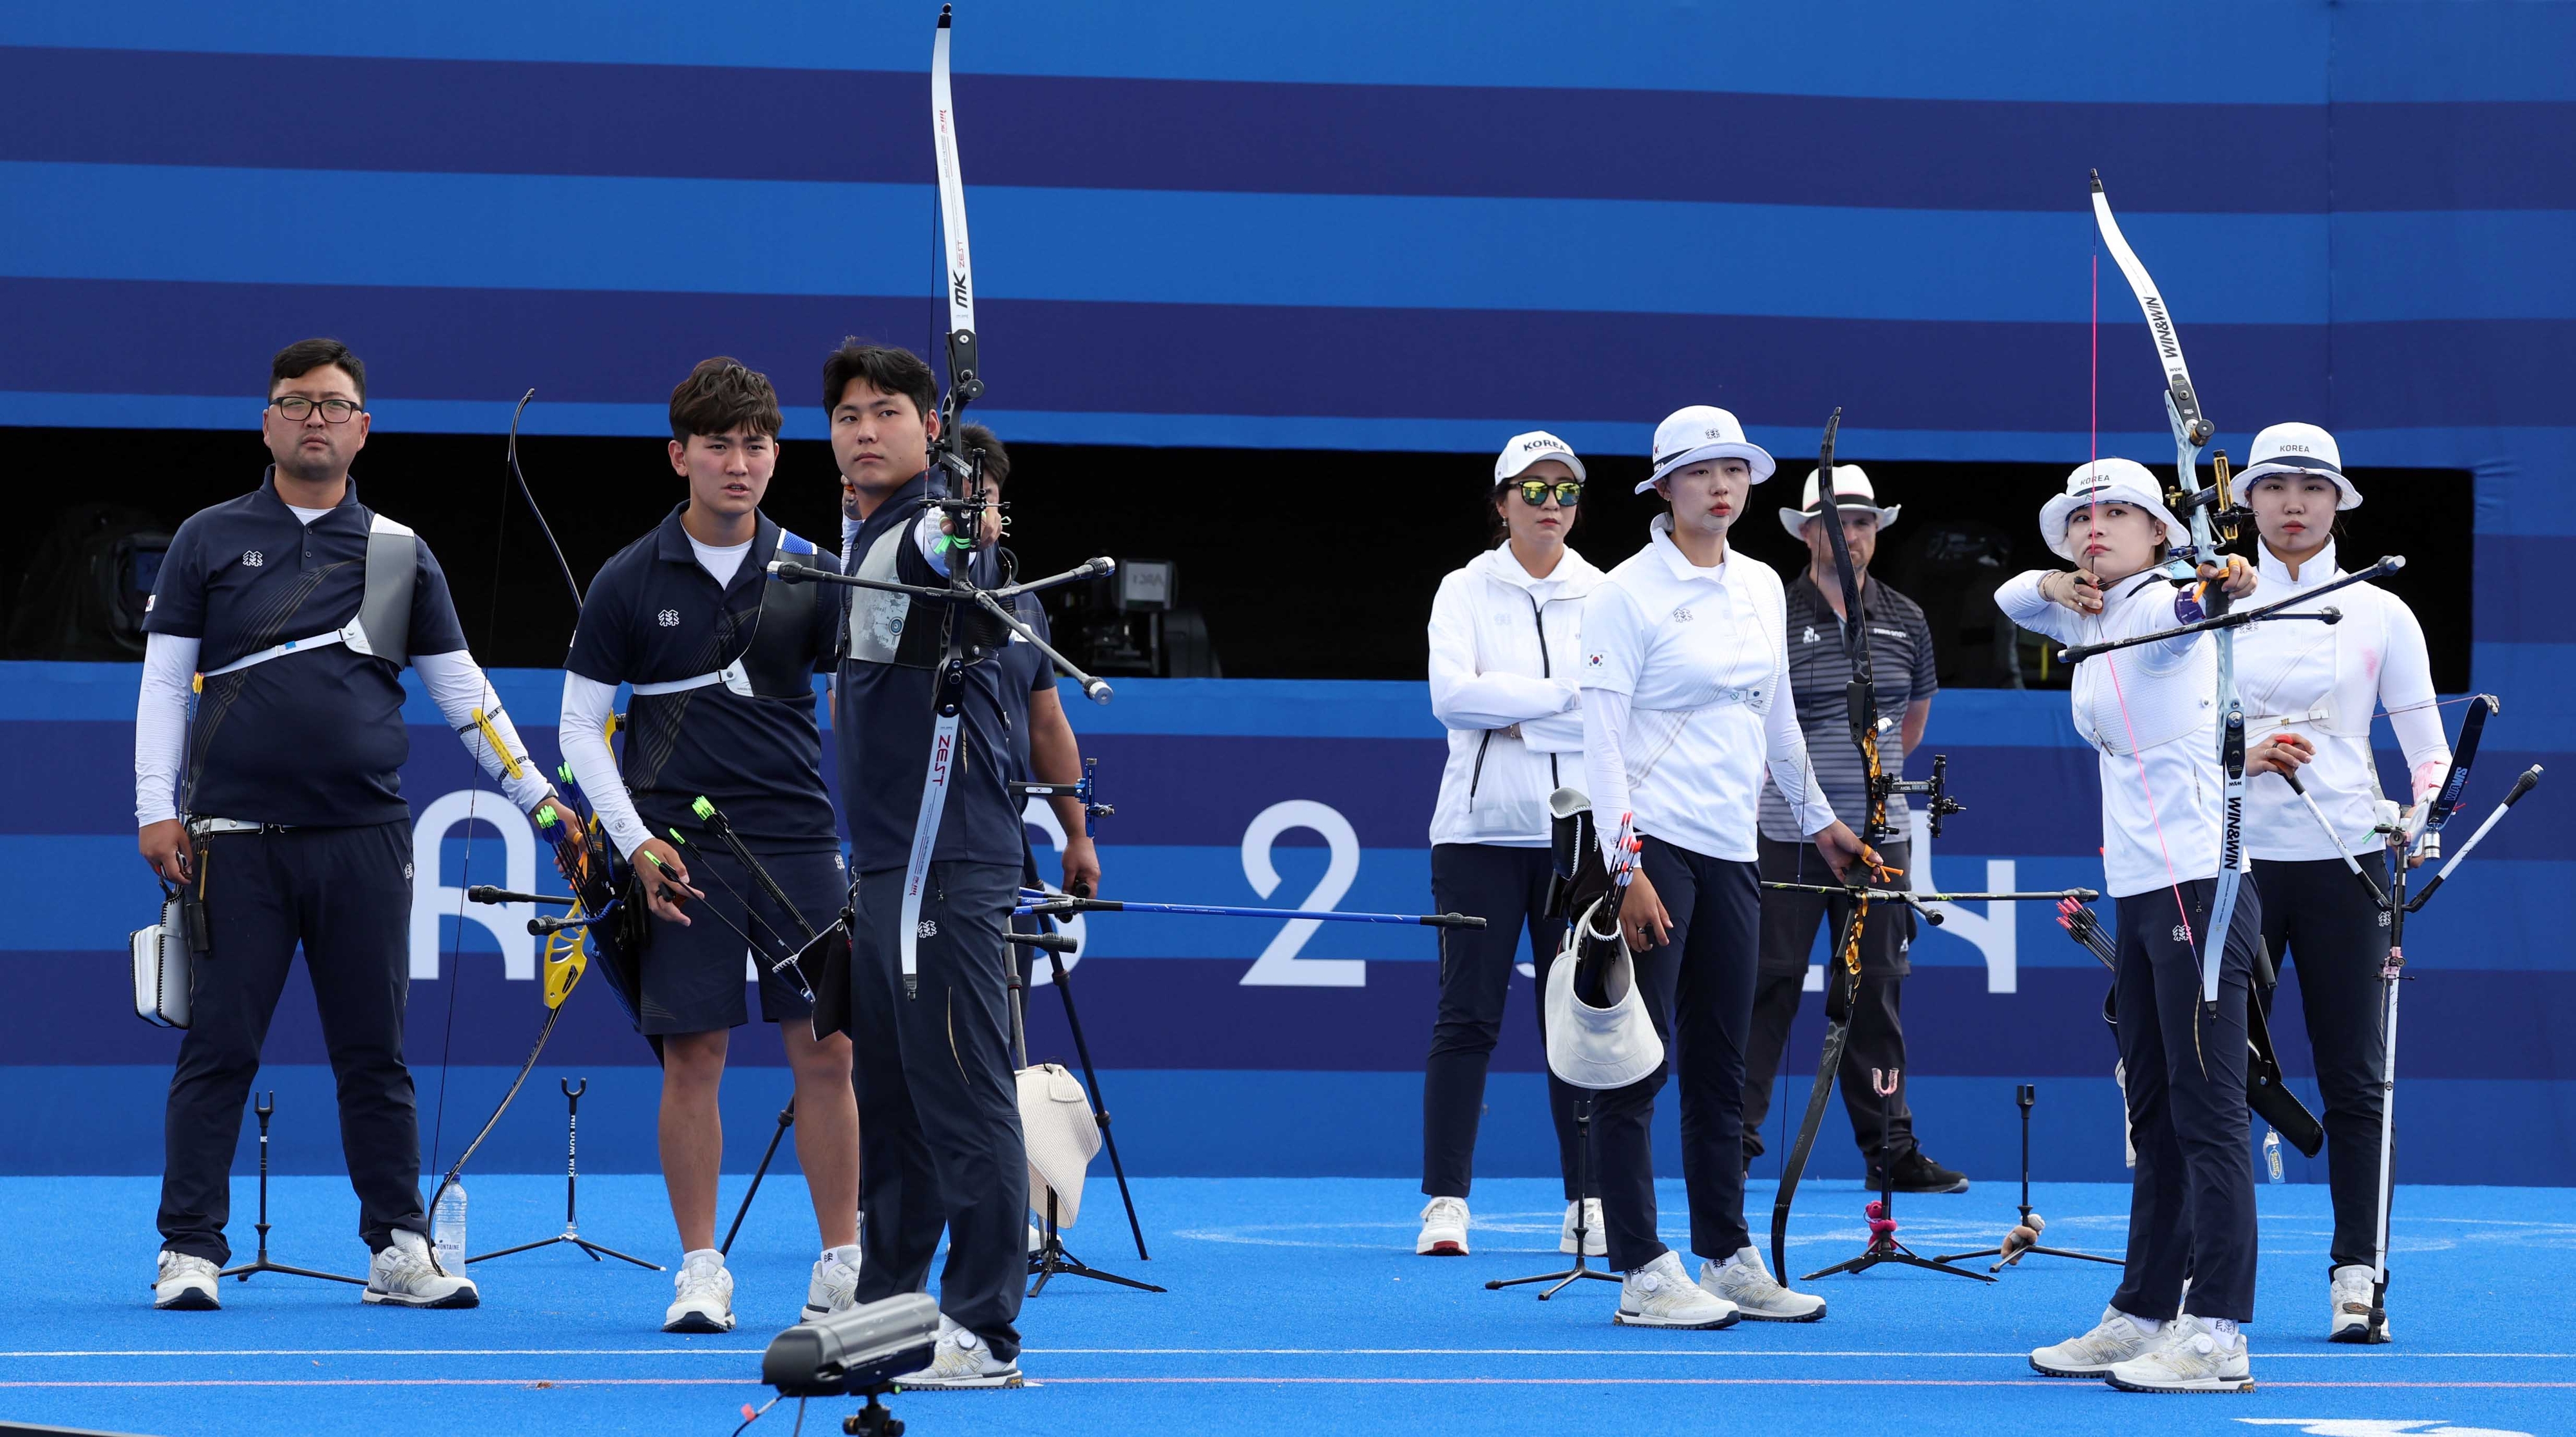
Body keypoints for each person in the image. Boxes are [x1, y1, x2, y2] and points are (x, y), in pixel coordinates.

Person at [136, 338, 551, 1312]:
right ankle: (189, 1248)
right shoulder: (207, 537)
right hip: (232, 840)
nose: (315, 418)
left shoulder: (401, 553)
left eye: (335, 404)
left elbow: (463, 694)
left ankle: (398, 1244)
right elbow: (164, 683)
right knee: (218, 1050)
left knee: (375, 1051)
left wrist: (539, 797)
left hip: (365, 839)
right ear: (267, 421)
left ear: (363, 427)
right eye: (296, 402)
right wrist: (156, 806)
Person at [557, 357, 860, 1333]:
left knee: (830, 1051)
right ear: (679, 454)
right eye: (720, 445)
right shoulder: (627, 578)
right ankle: (700, 1267)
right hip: (679, 851)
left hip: (800, 839)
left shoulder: (815, 568)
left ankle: (844, 1262)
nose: (739, 463)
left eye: (757, 445)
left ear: (777, 457)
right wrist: (635, 840)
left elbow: (870, 682)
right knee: (693, 1057)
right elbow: (574, 729)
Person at [1577, 406, 1874, 1328]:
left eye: (1735, 470)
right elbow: (1599, 744)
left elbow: (1774, 719)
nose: (1722, 485)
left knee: (1721, 1060)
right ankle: (1640, 1268)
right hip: (1653, 846)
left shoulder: (1756, 585)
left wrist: (1824, 823)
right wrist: (1625, 868)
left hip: (1734, 848)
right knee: (1634, 1061)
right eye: (1701, 470)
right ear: (1664, 486)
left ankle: (1727, 1252)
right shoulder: (1623, 593)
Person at [2001, 459, 2292, 1393]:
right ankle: (2143, 1309)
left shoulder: (2164, 600)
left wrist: (2225, 584)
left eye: (2119, 512)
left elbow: (2193, 612)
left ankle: (2219, 1330)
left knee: (2208, 1112)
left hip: (2199, 884)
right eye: (2082, 516)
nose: (2097, 527)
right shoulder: (2080, 608)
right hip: (2140, 888)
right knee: (2155, 1110)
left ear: (2161, 532)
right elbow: (2012, 596)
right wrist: (2050, 581)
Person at [820, 341, 1027, 1389]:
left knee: (964, 1092)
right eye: (849, 414)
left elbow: (961, 552)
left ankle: (983, 1328)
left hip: (949, 859)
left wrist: (964, 518)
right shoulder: (858, 540)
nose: (865, 428)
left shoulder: (921, 527)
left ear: (930, 427)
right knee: (894, 1102)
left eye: (888, 411)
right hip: (887, 864)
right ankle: (890, 1312)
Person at [2228, 423, 2448, 1341]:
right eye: (2274, 487)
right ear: (2246, 504)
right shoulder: (2202, 600)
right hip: (2228, 856)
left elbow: (2429, 756)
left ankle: (2358, 1274)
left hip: (2346, 857)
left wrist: (2417, 819)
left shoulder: (2382, 611)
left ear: (2337, 503)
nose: (2292, 504)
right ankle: (2192, 1270)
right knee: (2203, 1074)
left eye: (2311, 488)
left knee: (2358, 1078)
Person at [1740, 466, 1967, 1194]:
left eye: (1864, 520)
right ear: (1808, 532)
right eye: (1836, 520)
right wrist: (1813, 802)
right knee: (1767, 982)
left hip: (1880, 833)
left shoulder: (1906, 616)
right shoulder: (1768, 611)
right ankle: (1735, 1135)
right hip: (1785, 830)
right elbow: (1754, 721)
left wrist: (1863, 796)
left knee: (1876, 989)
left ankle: (1890, 1147)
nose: (1852, 533)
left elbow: (1912, 720)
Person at [1415, 432, 1607, 1259]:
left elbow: (1611, 707)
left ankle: (1590, 1200)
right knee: (1467, 1018)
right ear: (1500, 502)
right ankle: (1445, 1203)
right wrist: (1555, 704)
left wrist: (1525, 709)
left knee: (1579, 1023)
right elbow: (1452, 698)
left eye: (1566, 492)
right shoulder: (1462, 588)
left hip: (1576, 838)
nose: (1552, 506)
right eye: (1533, 491)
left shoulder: (1604, 589)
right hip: (1478, 836)